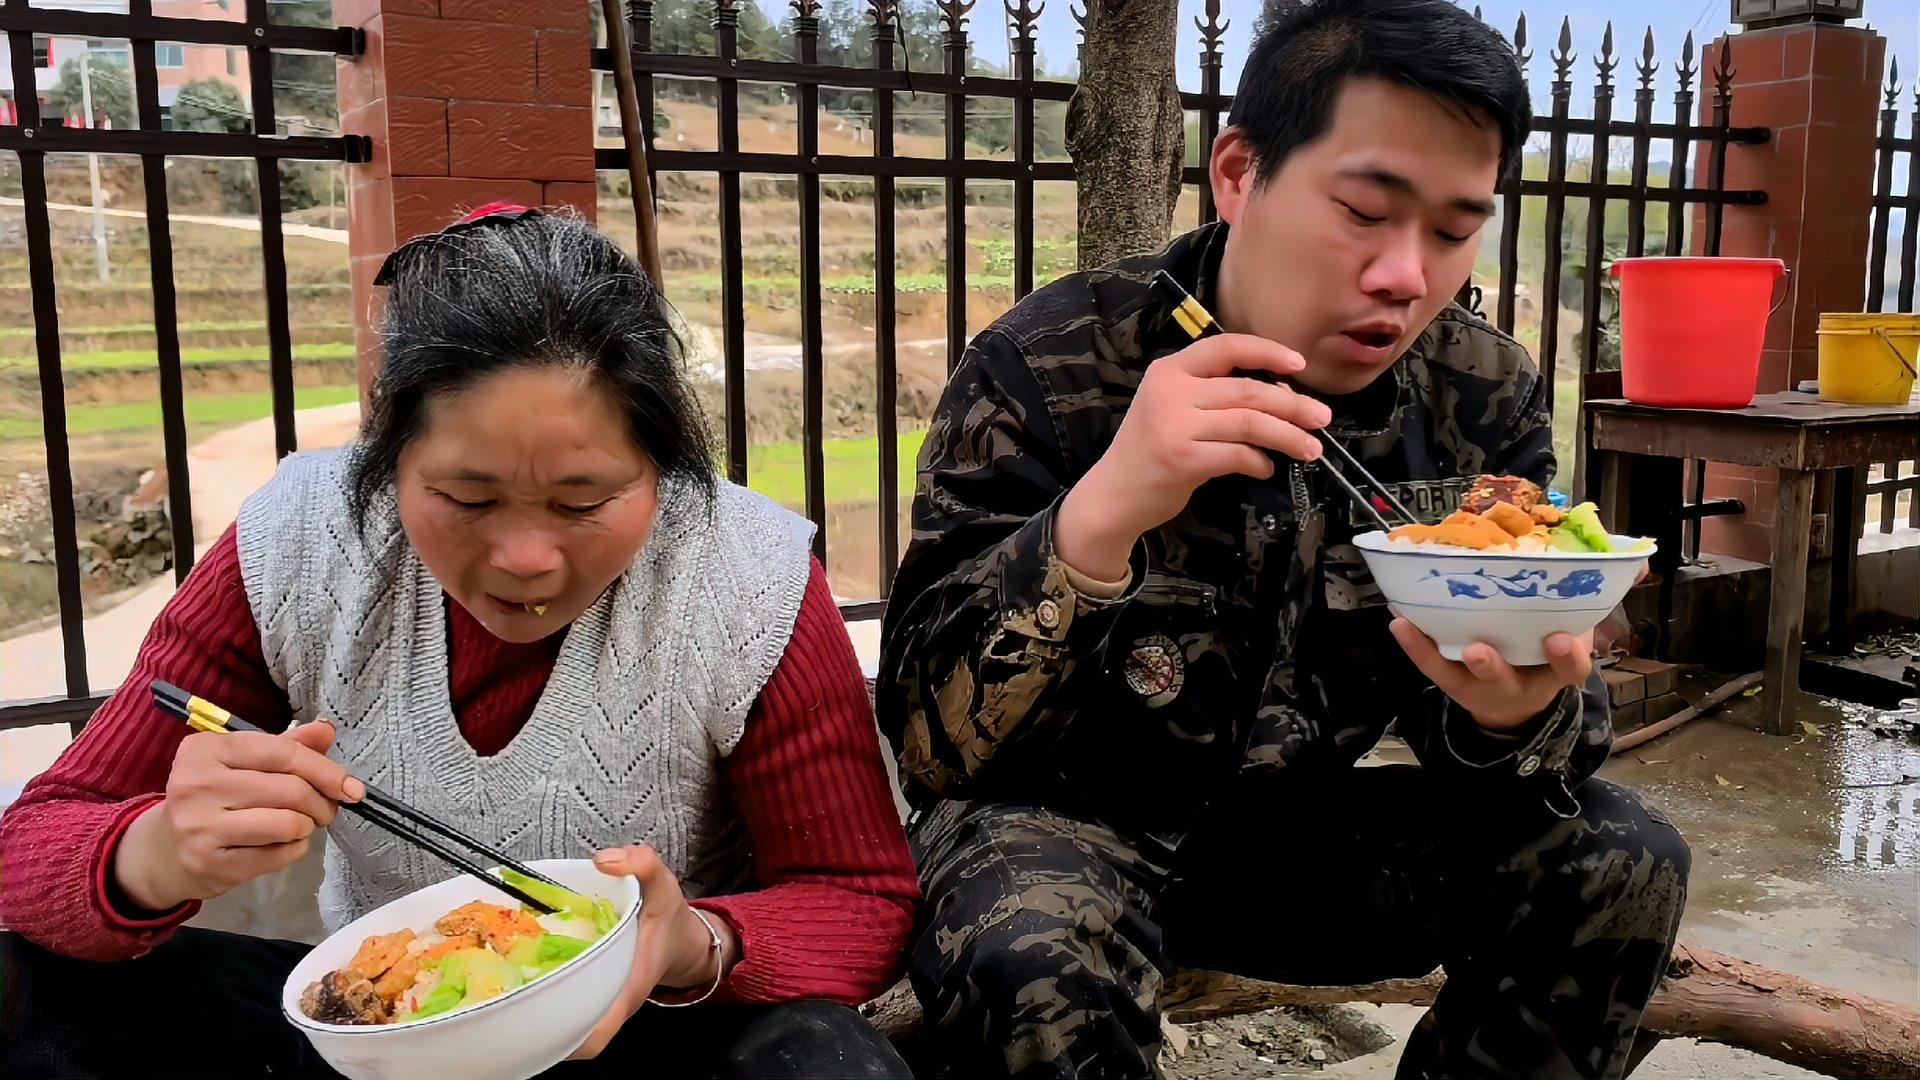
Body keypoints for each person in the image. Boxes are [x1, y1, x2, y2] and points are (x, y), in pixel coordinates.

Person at [878, 3, 1689, 1078]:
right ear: (1237, 170)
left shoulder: (1476, 391)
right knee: (1030, 950)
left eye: (1453, 231)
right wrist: (1105, 511)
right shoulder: (1050, 365)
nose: (1406, 275)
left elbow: (1542, 739)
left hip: (1315, 840)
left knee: (1622, 854)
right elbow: (935, 747)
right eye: (1364, 210)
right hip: (1070, 826)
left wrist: (1513, 718)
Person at [1, 205, 918, 1080]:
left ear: (665, 472)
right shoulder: (302, 540)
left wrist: (692, 945)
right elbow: (33, 843)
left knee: (826, 1060)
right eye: (466, 500)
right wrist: (151, 854)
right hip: (378, 1037)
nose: (524, 559)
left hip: (639, 1036)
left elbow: (860, 899)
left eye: (584, 501)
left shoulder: (742, 574)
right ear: (386, 458)